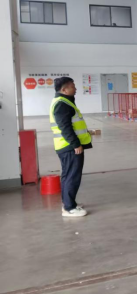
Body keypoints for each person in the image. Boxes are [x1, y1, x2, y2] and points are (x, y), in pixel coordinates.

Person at [50, 77, 92, 218]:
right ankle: (69, 208)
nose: (75, 89)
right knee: (72, 176)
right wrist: (76, 144)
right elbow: (65, 127)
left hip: (67, 146)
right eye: (72, 86)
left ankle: (68, 203)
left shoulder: (63, 101)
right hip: (69, 147)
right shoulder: (62, 104)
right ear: (64, 89)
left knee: (68, 175)